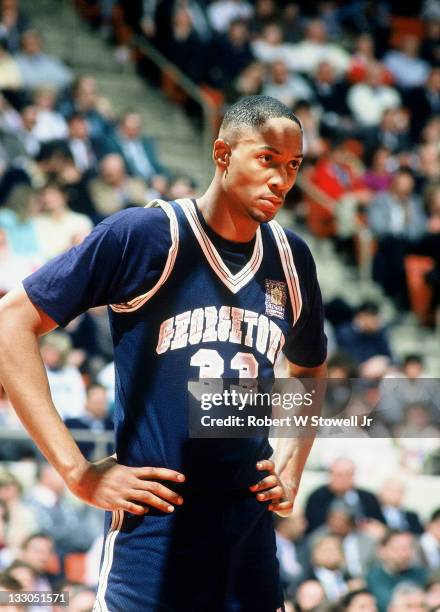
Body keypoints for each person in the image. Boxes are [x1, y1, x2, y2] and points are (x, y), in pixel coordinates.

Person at [0, 95, 327, 611]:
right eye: (267, 159)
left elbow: (308, 368)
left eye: (292, 166)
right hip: (154, 532)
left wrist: (291, 458)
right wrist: (75, 471)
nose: (281, 181)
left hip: (249, 536)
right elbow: (11, 321)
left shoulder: (292, 258)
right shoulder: (148, 235)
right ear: (222, 154)